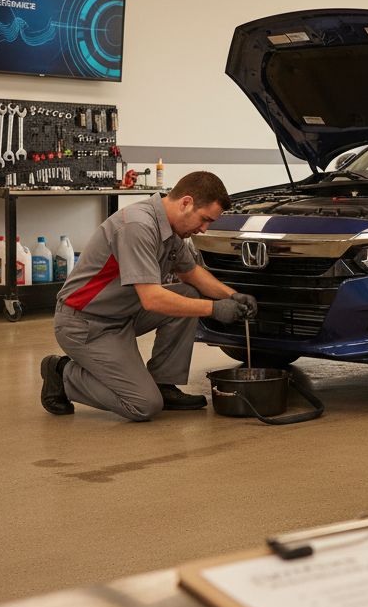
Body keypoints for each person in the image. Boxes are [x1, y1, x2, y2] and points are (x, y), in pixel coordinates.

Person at [41, 171, 257, 421]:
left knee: (189, 293)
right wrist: (214, 309)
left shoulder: (171, 230)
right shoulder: (138, 226)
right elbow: (152, 299)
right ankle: (62, 373)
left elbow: (191, 273)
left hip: (122, 314)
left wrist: (233, 295)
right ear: (186, 203)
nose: (204, 229)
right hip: (86, 324)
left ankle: (164, 383)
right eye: (205, 219)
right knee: (143, 404)